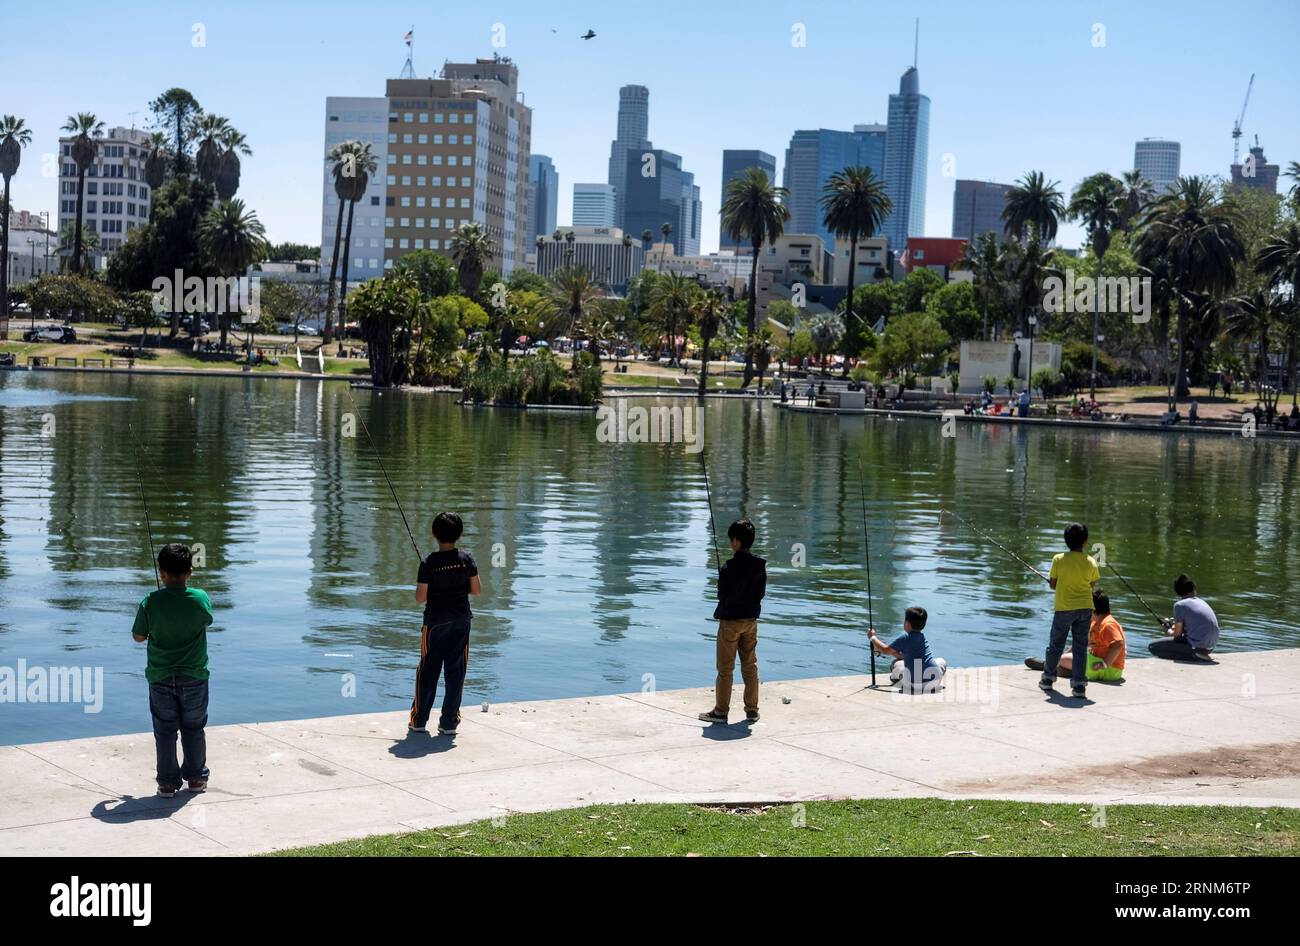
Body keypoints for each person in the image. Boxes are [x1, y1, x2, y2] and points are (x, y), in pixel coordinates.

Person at [131, 543, 214, 798]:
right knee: (194, 727)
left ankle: (167, 783)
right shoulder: (200, 598)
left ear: (162, 573)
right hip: (195, 676)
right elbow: (207, 619)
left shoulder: (150, 601)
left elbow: (138, 636)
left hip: (160, 677)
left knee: (165, 730)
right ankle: (196, 779)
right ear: (190, 571)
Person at [410, 512, 481, 736]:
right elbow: (477, 590)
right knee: (456, 671)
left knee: (428, 670)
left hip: (434, 623)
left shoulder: (428, 562)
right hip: (461, 621)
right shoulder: (467, 559)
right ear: (459, 534)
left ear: (434, 534)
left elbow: (420, 598)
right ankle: (449, 723)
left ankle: (419, 720)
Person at [699, 519, 767, 724]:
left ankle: (721, 711)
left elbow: (722, 595)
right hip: (751, 621)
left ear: (736, 541)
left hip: (730, 623)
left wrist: (723, 575)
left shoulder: (729, 567)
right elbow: (760, 594)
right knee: (750, 664)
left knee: (725, 668)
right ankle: (752, 710)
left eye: (731, 539)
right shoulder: (759, 566)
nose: (731, 542)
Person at [1039, 523, 1101, 698]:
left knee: (1056, 645)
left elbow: (1053, 584)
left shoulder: (1058, 559)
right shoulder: (1091, 561)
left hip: (1064, 608)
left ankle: (1048, 679)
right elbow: (1092, 584)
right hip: (1085, 609)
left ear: (1065, 541)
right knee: (1080, 647)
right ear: (1085, 541)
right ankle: (1080, 685)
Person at [1025, 589, 1125, 681]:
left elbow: (1119, 644)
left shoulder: (1108, 624)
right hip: (1096, 663)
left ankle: (1048, 664)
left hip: (1110, 669)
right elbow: (1081, 642)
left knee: (1064, 660)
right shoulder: (1095, 622)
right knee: (1062, 669)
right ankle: (1052, 665)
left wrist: (1105, 664)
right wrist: (1064, 654)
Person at [869, 606, 947, 694]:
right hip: (934, 682)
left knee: (896, 664)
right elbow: (903, 655)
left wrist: (873, 637)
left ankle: (895, 678)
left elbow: (886, 650)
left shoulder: (905, 637)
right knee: (941, 661)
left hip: (914, 685)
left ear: (907, 623)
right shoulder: (922, 637)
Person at [1149, 574, 1219, 662]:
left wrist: (1168, 630)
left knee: (1152, 646)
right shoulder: (1201, 602)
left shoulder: (1179, 605)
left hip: (1197, 647)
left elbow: (1177, 635)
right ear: (1193, 588)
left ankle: (1194, 655)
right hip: (1210, 648)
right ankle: (1199, 654)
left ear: (1178, 591)